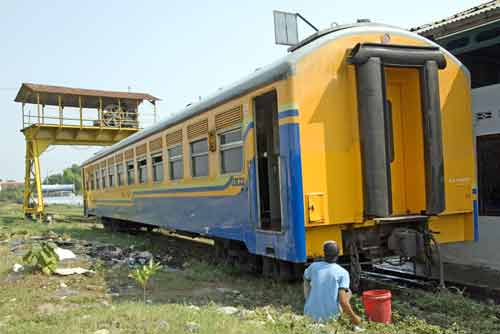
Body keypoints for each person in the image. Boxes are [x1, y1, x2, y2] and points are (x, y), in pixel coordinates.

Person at [303, 240, 362, 326]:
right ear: (338, 255)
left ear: (324, 253)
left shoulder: (313, 266)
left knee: (307, 280)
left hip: (309, 315)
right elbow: (343, 302)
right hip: (330, 320)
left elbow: (306, 278)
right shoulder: (342, 273)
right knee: (348, 292)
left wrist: (309, 296)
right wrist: (354, 318)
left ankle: (310, 304)